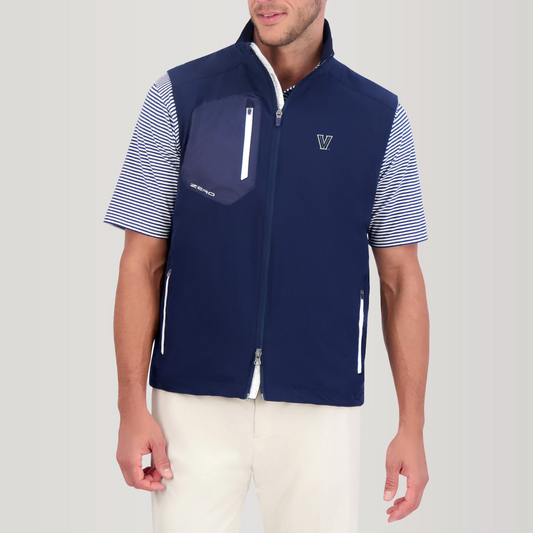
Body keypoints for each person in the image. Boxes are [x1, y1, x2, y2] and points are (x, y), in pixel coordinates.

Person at [104, 1, 430, 531]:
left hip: (320, 403)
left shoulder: (377, 116)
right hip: (191, 400)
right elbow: (140, 261)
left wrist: (411, 428)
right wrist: (130, 407)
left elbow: (401, 279)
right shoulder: (181, 95)